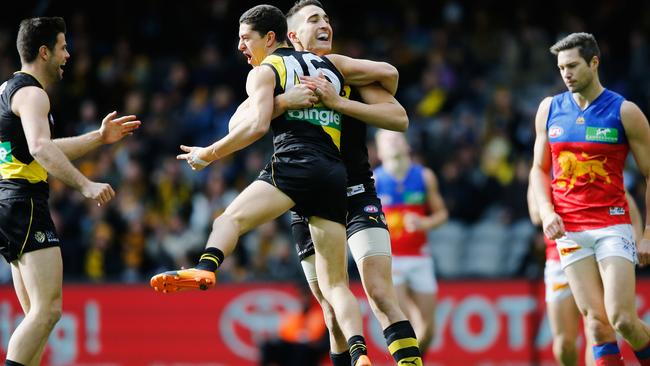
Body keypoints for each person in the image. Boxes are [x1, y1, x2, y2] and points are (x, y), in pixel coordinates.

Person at [149, 5, 398, 365]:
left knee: (229, 220)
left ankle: (205, 266)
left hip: (295, 163)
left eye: (245, 38)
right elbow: (389, 74)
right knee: (336, 285)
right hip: (334, 174)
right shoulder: (330, 67)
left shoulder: (266, 70)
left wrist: (209, 154)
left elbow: (252, 125)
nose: (240, 47)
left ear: (269, 38)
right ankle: (360, 354)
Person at [273, 1, 424, 365]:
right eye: (314, 20)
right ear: (293, 36)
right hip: (308, 202)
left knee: (379, 291)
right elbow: (252, 115)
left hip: (356, 195)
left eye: (327, 18)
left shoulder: (346, 74)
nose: (325, 24)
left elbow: (398, 116)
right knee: (329, 308)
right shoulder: (278, 76)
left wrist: (337, 102)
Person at [1, 17, 140, 366]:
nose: (68, 54)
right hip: (24, 201)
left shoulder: (9, 89)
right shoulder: (33, 94)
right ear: (44, 52)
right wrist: (85, 184)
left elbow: (42, 146)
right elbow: (39, 148)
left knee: (38, 315)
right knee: (48, 311)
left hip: (10, 201)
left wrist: (97, 137)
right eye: (63, 47)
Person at [530, 32, 650, 366]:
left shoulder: (625, 112)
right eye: (560, 68)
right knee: (596, 326)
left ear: (594, 63)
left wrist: (649, 233)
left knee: (622, 319)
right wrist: (546, 209)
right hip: (569, 231)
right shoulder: (549, 109)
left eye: (572, 66)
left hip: (612, 225)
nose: (565, 74)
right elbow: (538, 170)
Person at [528, 185, 643, 366]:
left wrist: (637, 239)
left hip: (596, 251)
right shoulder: (544, 171)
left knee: (597, 328)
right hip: (559, 257)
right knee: (564, 343)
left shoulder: (586, 164)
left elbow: (625, 200)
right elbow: (535, 214)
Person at [374, 130, 448, 357]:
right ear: (379, 151)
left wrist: (424, 223)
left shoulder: (424, 176)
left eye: (397, 138)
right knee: (407, 328)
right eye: (387, 140)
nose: (394, 143)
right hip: (392, 260)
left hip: (420, 257)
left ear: (407, 145)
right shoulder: (374, 180)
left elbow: (442, 214)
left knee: (428, 331)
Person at [259, 282, 328, 366]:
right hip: (291, 348)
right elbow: (283, 337)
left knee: (302, 349)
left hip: (310, 351)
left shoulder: (320, 315)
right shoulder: (293, 315)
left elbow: (325, 343)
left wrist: (308, 342)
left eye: (306, 295)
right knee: (267, 346)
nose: (304, 299)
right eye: (302, 295)